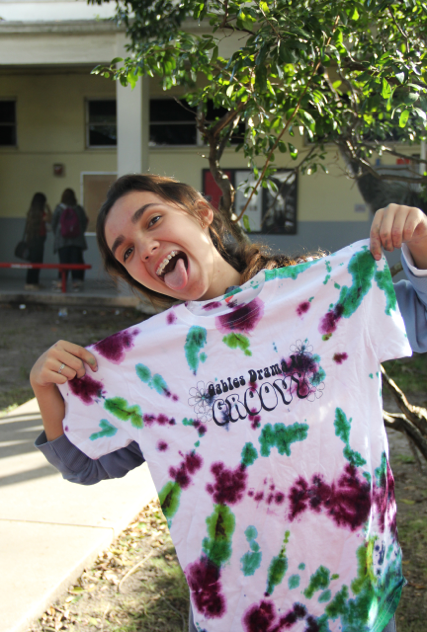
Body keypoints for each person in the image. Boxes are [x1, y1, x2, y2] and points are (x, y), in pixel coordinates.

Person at [31, 174, 427, 632]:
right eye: (126, 251)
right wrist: (45, 389)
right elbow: (85, 466)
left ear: (202, 213)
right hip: (239, 614)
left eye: (153, 220)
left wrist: (420, 243)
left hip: (355, 597)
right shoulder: (147, 365)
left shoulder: (321, 297)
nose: (144, 247)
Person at [51, 188, 88, 292]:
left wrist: (59, 234)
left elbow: (53, 224)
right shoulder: (78, 209)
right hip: (76, 241)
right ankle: (76, 283)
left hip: (62, 242)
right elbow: (84, 223)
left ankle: (61, 283)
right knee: (76, 262)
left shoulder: (59, 209)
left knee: (63, 262)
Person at [24, 192, 51, 291]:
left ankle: (32, 282)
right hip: (38, 241)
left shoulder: (31, 212)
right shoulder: (41, 213)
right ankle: (31, 282)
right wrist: (48, 208)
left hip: (31, 239)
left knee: (33, 262)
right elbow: (49, 219)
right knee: (37, 262)